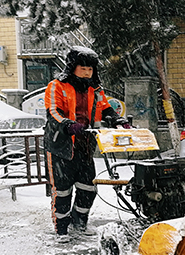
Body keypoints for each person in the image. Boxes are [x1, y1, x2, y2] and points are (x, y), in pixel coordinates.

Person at [44, 46, 129, 243]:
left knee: (88, 188)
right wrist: (68, 125)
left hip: (85, 145)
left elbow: (105, 108)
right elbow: (53, 111)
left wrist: (117, 120)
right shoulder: (57, 86)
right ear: (72, 67)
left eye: (90, 69)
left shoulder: (95, 89)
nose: (87, 72)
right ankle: (62, 229)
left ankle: (79, 222)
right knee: (62, 190)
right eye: (83, 68)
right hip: (62, 146)